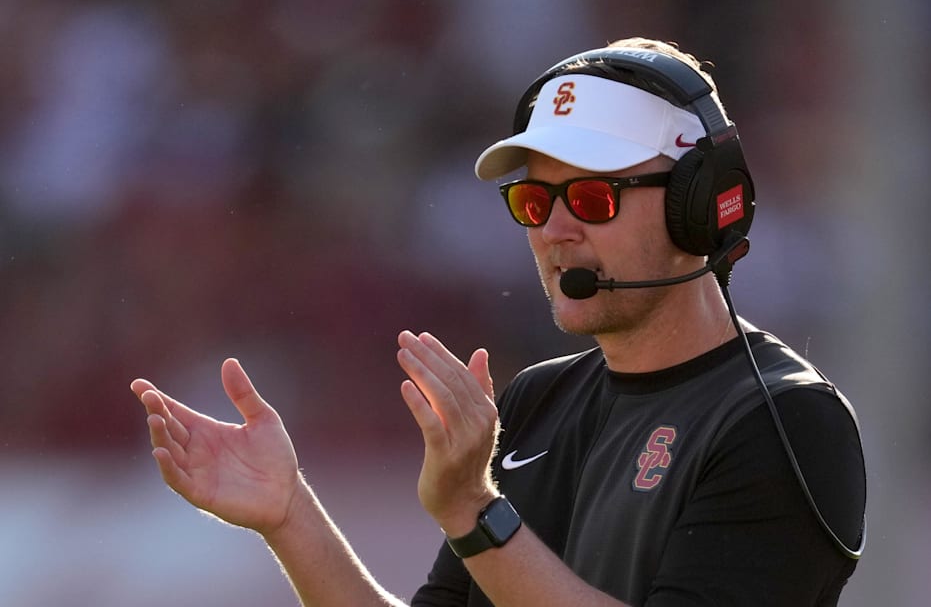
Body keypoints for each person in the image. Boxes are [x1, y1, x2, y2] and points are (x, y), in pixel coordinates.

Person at [132, 37, 866, 606]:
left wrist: (475, 511)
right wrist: (289, 516)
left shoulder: (787, 421)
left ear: (697, 202)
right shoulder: (534, 402)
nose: (555, 232)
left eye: (593, 199)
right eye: (535, 204)